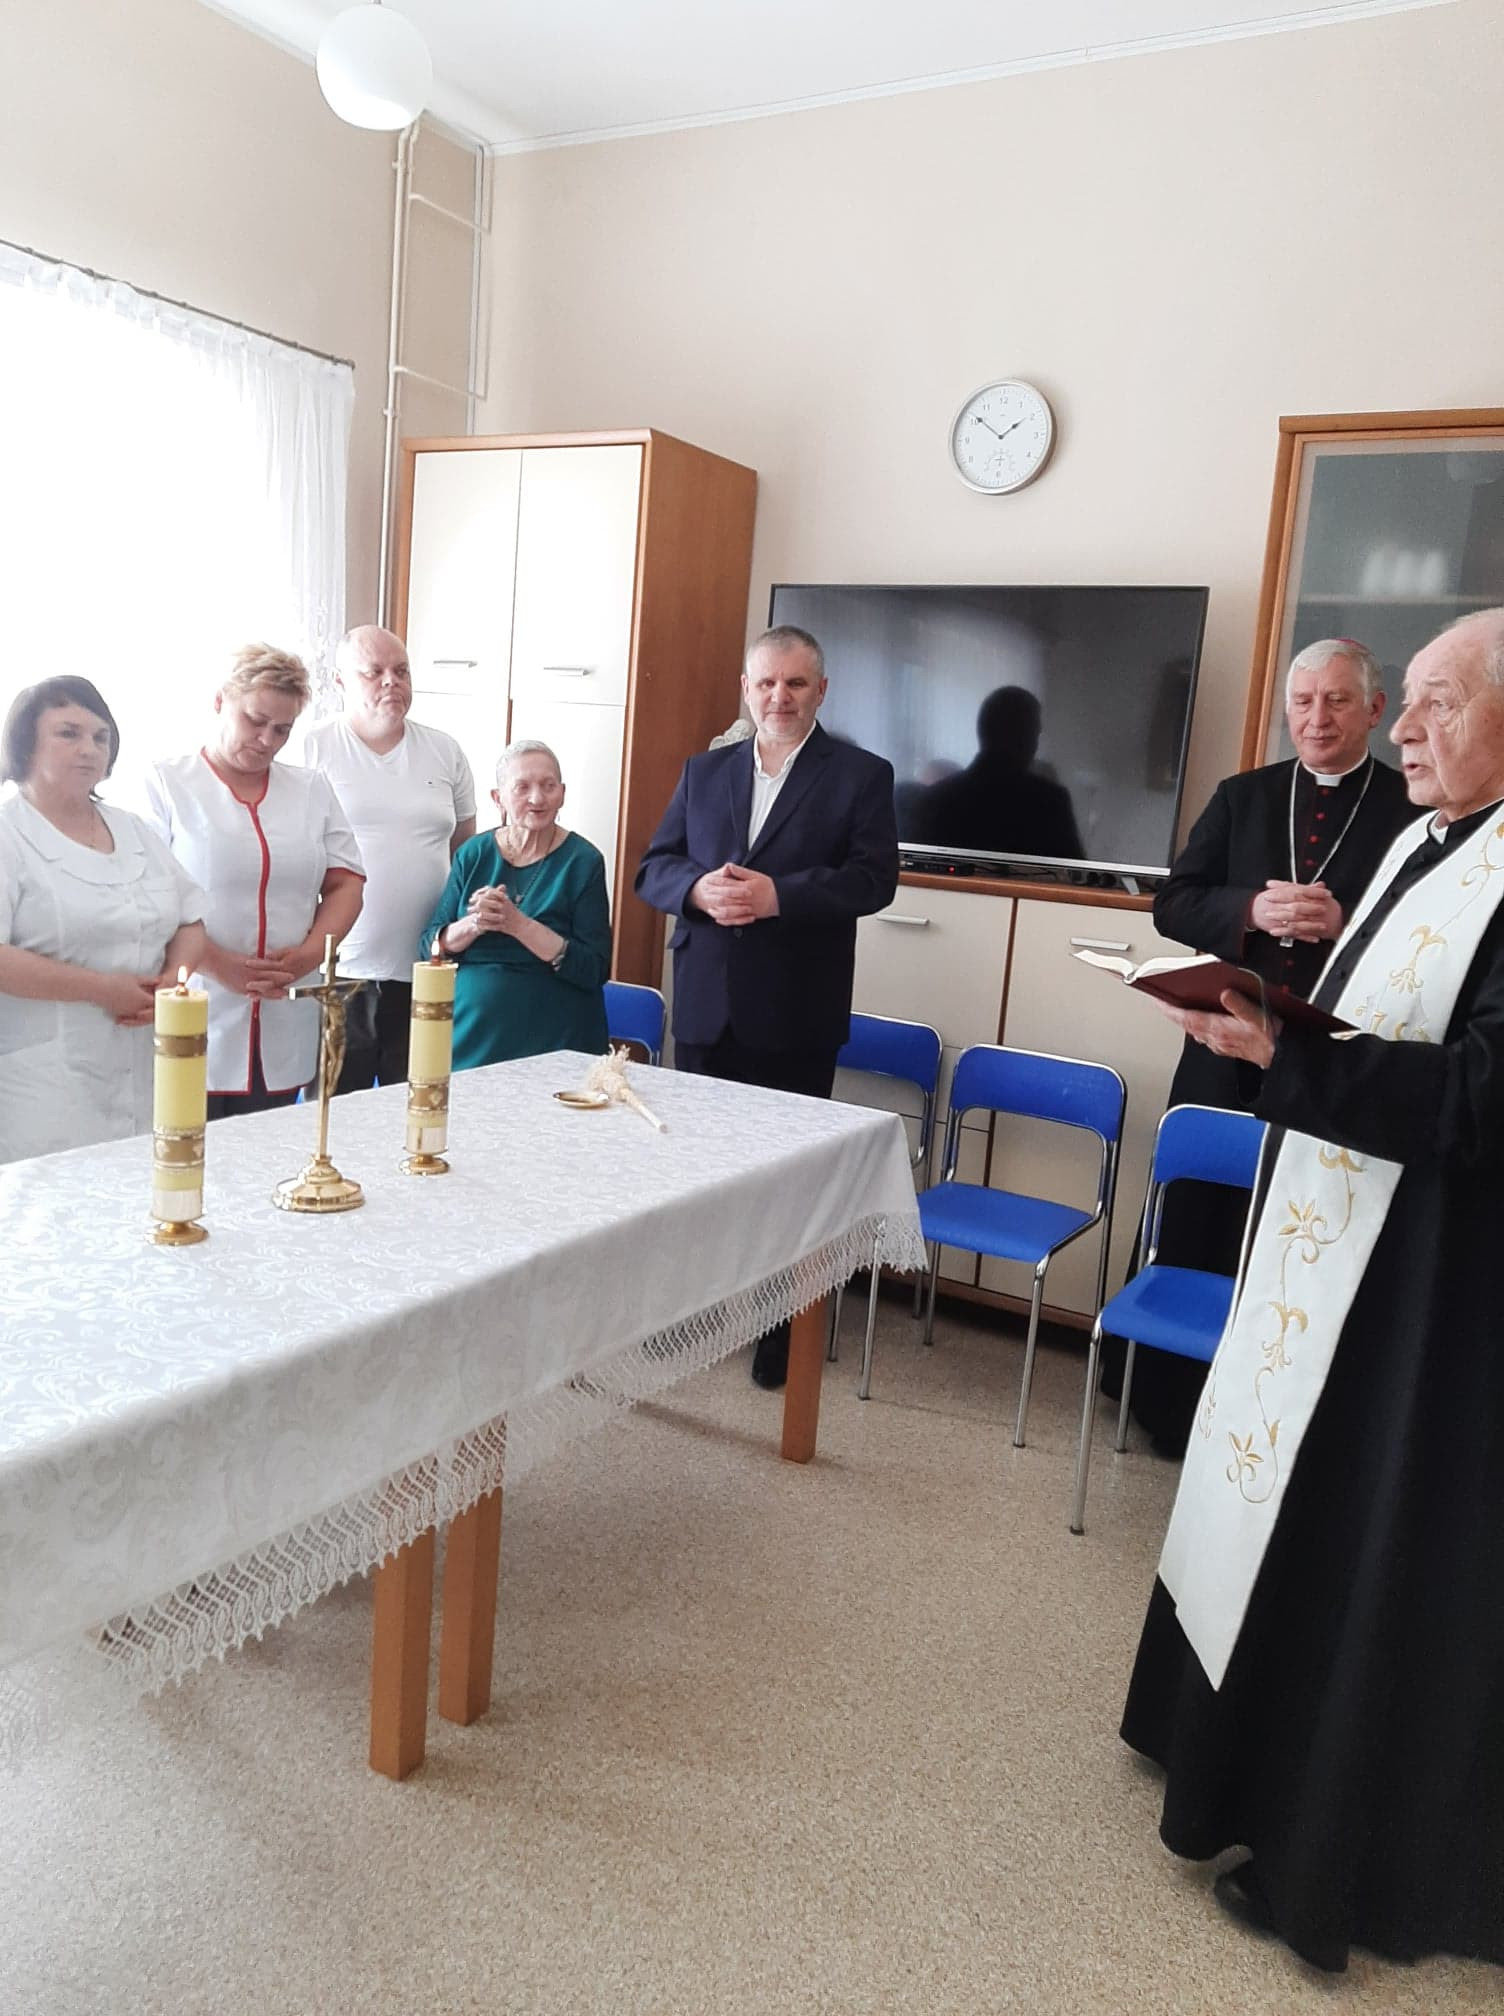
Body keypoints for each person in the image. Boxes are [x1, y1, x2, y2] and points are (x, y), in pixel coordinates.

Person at [1121, 607, 1504, 1974]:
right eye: (1413, 702)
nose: (1405, 730)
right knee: (1283, 1500)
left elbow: (1481, 1092)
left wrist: (1283, 1058)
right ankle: (1218, 1754)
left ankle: (1332, 1852)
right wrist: (1265, 1027)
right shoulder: (1431, 836)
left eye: (1439, 702)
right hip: (1335, 1230)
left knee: (1375, 1543)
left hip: (1434, 1292)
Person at [1122, 639, 1413, 1454]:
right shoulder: (1243, 795)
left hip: (1333, 1057)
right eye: (1303, 702)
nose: (1317, 719)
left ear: (1374, 710)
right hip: (1221, 1042)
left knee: (1302, 1228)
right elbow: (1173, 903)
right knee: (1201, 1215)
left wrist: (1346, 923)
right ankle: (1170, 1407)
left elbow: (1433, 936)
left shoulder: (1410, 806)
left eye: (1337, 701)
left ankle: (1278, 1425)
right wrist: (1249, 910)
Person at [634, 624, 900, 1387]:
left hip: (795, 1010)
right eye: (766, 683)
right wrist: (695, 890)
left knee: (789, 1181)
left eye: (795, 683)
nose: (779, 697)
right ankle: (689, 1311)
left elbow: (873, 880)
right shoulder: (705, 770)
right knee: (695, 1172)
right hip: (706, 1006)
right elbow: (654, 867)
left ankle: (782, 1331)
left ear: (821, 691)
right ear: (745, 691)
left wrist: (779, 895)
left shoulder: (860, 774)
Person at [142, 645, 365, 1120]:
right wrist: (217, 963)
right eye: (255, 721)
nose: (267, 740)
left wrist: (307, 956)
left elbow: (346, 884)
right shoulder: (166, 783)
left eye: (282, 729)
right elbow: (146, 895)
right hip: (195, 1001)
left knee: (270, 1149)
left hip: (286, 1008)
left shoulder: (311, 789)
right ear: (220, 701)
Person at [0, 677, 206, 1162]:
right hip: (46, 1080)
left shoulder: (132, 829)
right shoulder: (9, 834)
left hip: (146, 1061)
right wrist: (102, 989)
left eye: (100, 737)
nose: (89, 749)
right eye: (68, 733)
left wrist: (172, 983)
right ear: (26, 743)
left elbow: (191, 920)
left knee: (144, 1183)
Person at [301, 625, 475, 1092]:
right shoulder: (311, 748)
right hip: (340, 972)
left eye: (401, 671)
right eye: (374, 672)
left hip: (427, 968)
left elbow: (465, 852)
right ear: (340, 681)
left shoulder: (445, 750)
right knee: (336, 1115)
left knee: (420, 1108)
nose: (390, 682)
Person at [419, 739, 610, 1067]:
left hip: (557, 1033)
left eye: (548, 786)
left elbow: (594, 968)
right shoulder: (473, 854)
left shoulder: (583, 861)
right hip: (471, 1032)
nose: (537, 798)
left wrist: (518, 925)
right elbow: (429, 947)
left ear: (562, 793)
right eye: (522, 787)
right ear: (499, 798)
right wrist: (475, 923)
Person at [907, 685, 1084, 860]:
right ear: (1025, 738)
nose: (1036, 746)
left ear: (982, 731)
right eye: (1036, 735)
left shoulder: (933, 801)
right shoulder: (1049, 803)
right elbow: (1075, 874)